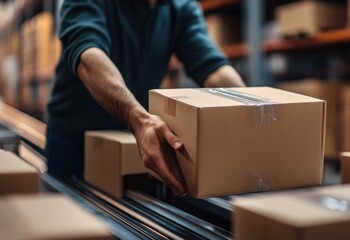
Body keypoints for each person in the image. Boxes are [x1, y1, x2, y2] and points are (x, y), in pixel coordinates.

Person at [46, 0, 245, 195]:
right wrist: (139, 119)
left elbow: (211, 67)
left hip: (132, 139)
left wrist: (254, 108)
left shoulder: (180, 6)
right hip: (74, 141)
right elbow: (88, 55)